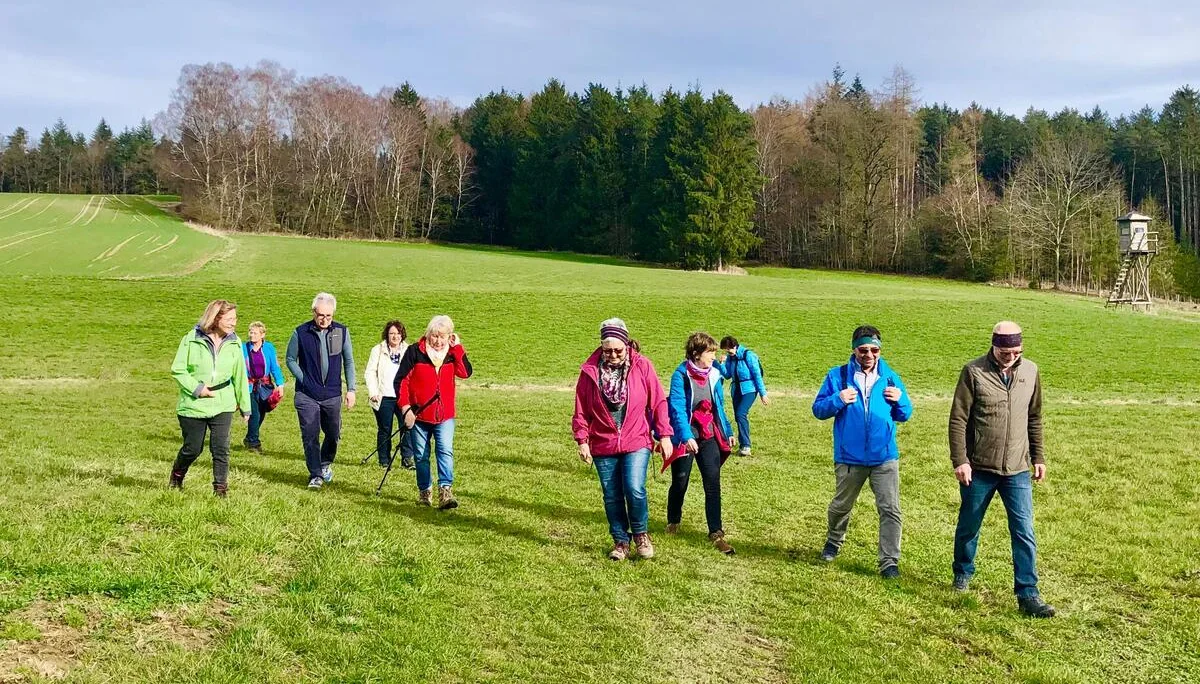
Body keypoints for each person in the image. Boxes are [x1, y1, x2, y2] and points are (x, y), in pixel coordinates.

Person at [949, 321, 1056, 618]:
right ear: (994, 346)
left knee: (1024, 530)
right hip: (979, 468)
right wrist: (960, 460)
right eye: (1005, 351)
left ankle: (1028, 594)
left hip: (1018, 468)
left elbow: (1035, 417)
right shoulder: (973, 372)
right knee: (969, 524)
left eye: (1016, 351)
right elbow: (958, 419)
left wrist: (1039, 456)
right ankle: (962, 573)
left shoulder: (1031, 372)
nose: (1010, 356)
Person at [811, 325, 913, 579]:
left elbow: (905, 414)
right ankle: (833, 542)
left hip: (884, 457)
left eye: (874, 349)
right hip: (849, 458)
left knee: (890, 509)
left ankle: (889, 562)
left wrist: (899, 399)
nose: (869, 354)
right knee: (840, 506)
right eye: (863, 349)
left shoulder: (890, 377)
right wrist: (838, 399)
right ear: (854, 349)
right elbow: (818, 409)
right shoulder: (838, 376)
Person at [572, 318, 674, 561]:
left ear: (627, 345)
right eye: (607, 350)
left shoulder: (642, 366)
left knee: (634, 488)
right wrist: (582, 440)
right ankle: (620, 541)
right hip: (603, 443)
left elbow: (658, 401)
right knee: (611, 494)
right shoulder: (589, 372)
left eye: (618, 350)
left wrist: (665, 435)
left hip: (636, 439)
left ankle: (641, 535)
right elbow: (581, 409)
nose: (613, 355)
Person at [169, 299, 251, 497]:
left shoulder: (234, 342)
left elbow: (240, 374)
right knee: (193, 449)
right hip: (193, 404)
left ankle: (220, 490)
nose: (234, 323)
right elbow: (178, 370)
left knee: (221, 448)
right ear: (215, 319)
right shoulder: (191, 339)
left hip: (223, 402)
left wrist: (245, 405)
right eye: (229, 319)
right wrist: (197, 389)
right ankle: (177, 474)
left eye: (235, 318)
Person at [666, 332, 736, 554]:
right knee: (680, 481)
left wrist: (728, 431)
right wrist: (686, 437)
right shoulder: (680, 376)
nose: (714, 357)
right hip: (685, 435)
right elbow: (677, 408)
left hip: (707, 435)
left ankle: (716, 532)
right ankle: (673, 520)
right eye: (710, 352)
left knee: (712, 483)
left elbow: (719, 406)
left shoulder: (715, 374)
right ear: (696, 354)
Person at [395, 315, 472, 509]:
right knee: (421, 455)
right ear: (428, 335)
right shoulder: (415, 352)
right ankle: (425, 492)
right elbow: (401, 382)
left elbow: (465, 373)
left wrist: (458, 348)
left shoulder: (452, 354)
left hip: (444, 416)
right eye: (434, 336)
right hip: (419, 415)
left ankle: (445, 491)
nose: (438, 341)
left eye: (442, 337)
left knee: (445, 451)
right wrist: (406, 409)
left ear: (449, 337)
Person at [286, 292, 356, 490]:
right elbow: (290, 359)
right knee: (310, 434)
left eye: (329, 316)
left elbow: (349, 361)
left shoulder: (341, 332)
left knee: (333, 433)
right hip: (306, 395)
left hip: (333, 394)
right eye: (321, 315)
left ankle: (325, 462)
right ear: (314, 312)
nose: (324, 319)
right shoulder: (300, 332)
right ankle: (315, 474)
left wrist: (351, 389)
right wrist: (304, 380)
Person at [365, 320, 415, 469]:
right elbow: (370, 371)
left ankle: (407, 458)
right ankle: (384, 459)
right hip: (383, 396)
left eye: (398, 333)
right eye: (392, 333)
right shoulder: (377, 350)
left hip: (402, 397)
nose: (395, 336)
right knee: (385, 428)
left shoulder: (409, 350)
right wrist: (373, 391)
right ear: (387, 334)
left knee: (406, 427)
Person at [719, 336, 770, 457]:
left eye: (728, 349)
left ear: (734, 346)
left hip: (749, 389)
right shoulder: (731, 359)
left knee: (741, 413)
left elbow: (757, 375)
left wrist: (763, 394)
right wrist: (722, 364)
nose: (727, 352)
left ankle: (746, 445)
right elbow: (727, 376)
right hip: (736, 390)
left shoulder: (749, 355)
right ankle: (743, 445)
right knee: (738, 416)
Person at [242, 321, 286, 453]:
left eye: (255, 333)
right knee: (254, 414)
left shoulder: (268, 348)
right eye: (250, 332)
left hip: (264, 386)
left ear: (262, 335)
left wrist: (280, 384)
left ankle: (249, 438)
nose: (252, 335)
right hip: (249, 386)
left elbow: (274, 367)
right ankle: (254, 444)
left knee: (261, 413)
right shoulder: (243, 348)